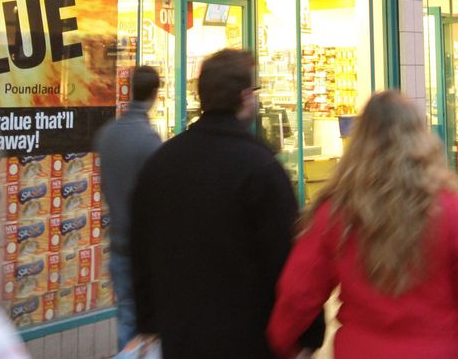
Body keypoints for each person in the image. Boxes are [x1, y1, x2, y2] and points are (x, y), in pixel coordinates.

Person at [267, 90, 458, 359]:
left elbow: (298, 294)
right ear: (421, 138)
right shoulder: (455, 210)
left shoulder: (336, 211)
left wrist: (284, 341)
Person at [130, 48, 324, 359]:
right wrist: (307, 335)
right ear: (246, 96)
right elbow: (287, 261)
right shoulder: (261, 168)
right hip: (249, 339)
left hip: (181, 337)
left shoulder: (161, 163)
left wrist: (149, 323)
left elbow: (139, 249)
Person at [93, 65, 162, 350]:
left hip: (118, 243)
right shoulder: (149, 140)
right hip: (144, 249)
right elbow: (156, 200)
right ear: (156, 94)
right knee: (147, 325)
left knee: (126, 318)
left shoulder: (107, 134)